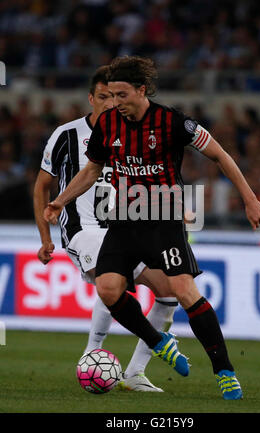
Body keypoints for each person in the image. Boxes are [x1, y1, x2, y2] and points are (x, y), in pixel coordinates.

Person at [44, 56, 260, 400]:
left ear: (141, 90)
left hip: (164, 219)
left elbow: (221, 155)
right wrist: (61, 200)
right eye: (111, 96)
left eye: (121, 95)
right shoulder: (108, 127)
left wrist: (250, 199)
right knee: (107, 289)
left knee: (182, 290)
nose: (115, 103)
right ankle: (157, 341)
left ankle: (225, 371)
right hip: (124, 220)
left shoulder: (173, 122)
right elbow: (91, 171)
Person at [34, 65, 179, 392]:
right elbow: (41, 187)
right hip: (82, 229)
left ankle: (135, 373)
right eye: (103, 97)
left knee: (169, 292)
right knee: (114, 275)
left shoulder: (133, 134)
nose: (110, 104)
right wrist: (45, 237)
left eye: (115, 97)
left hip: (124, 228)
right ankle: (95, 351)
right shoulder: (67, 135)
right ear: (91, 98)